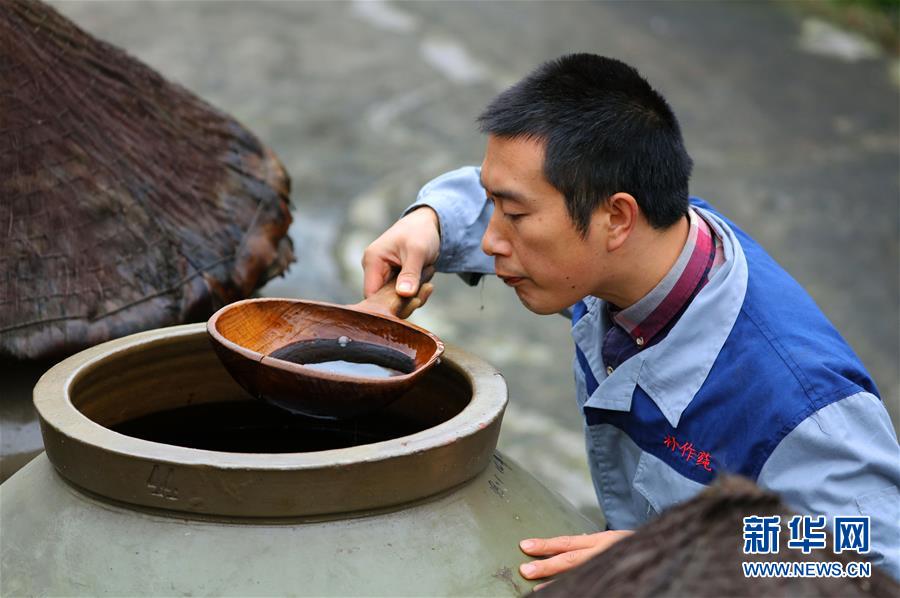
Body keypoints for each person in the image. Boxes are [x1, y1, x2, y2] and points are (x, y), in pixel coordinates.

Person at [362, 54, 900, 582]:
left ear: (618, 218)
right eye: (495, 207)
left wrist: (688, 554)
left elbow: (871, 562)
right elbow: (510, 189)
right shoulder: (644, 248)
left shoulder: (803, 405)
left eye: (515, 215)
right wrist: (432, 221)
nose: (490, 240)